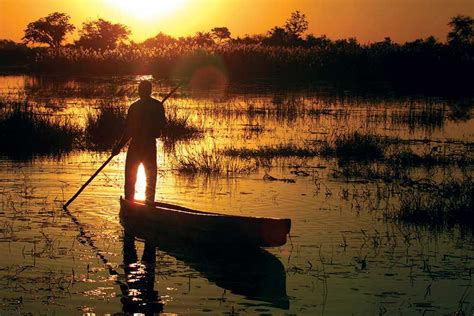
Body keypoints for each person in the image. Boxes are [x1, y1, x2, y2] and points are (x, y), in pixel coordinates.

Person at [112, 80, 166, 203]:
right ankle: (147, 205)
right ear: (150, 91)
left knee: (133, 179)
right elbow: (160, 130)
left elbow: (128, 132)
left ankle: (131, 204)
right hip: (148, 147)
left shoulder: (136, 107)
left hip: (137, 147)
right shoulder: (157, 106)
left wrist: (119, 147)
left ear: (140, 91)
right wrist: (118, 147)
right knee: (150, 180)